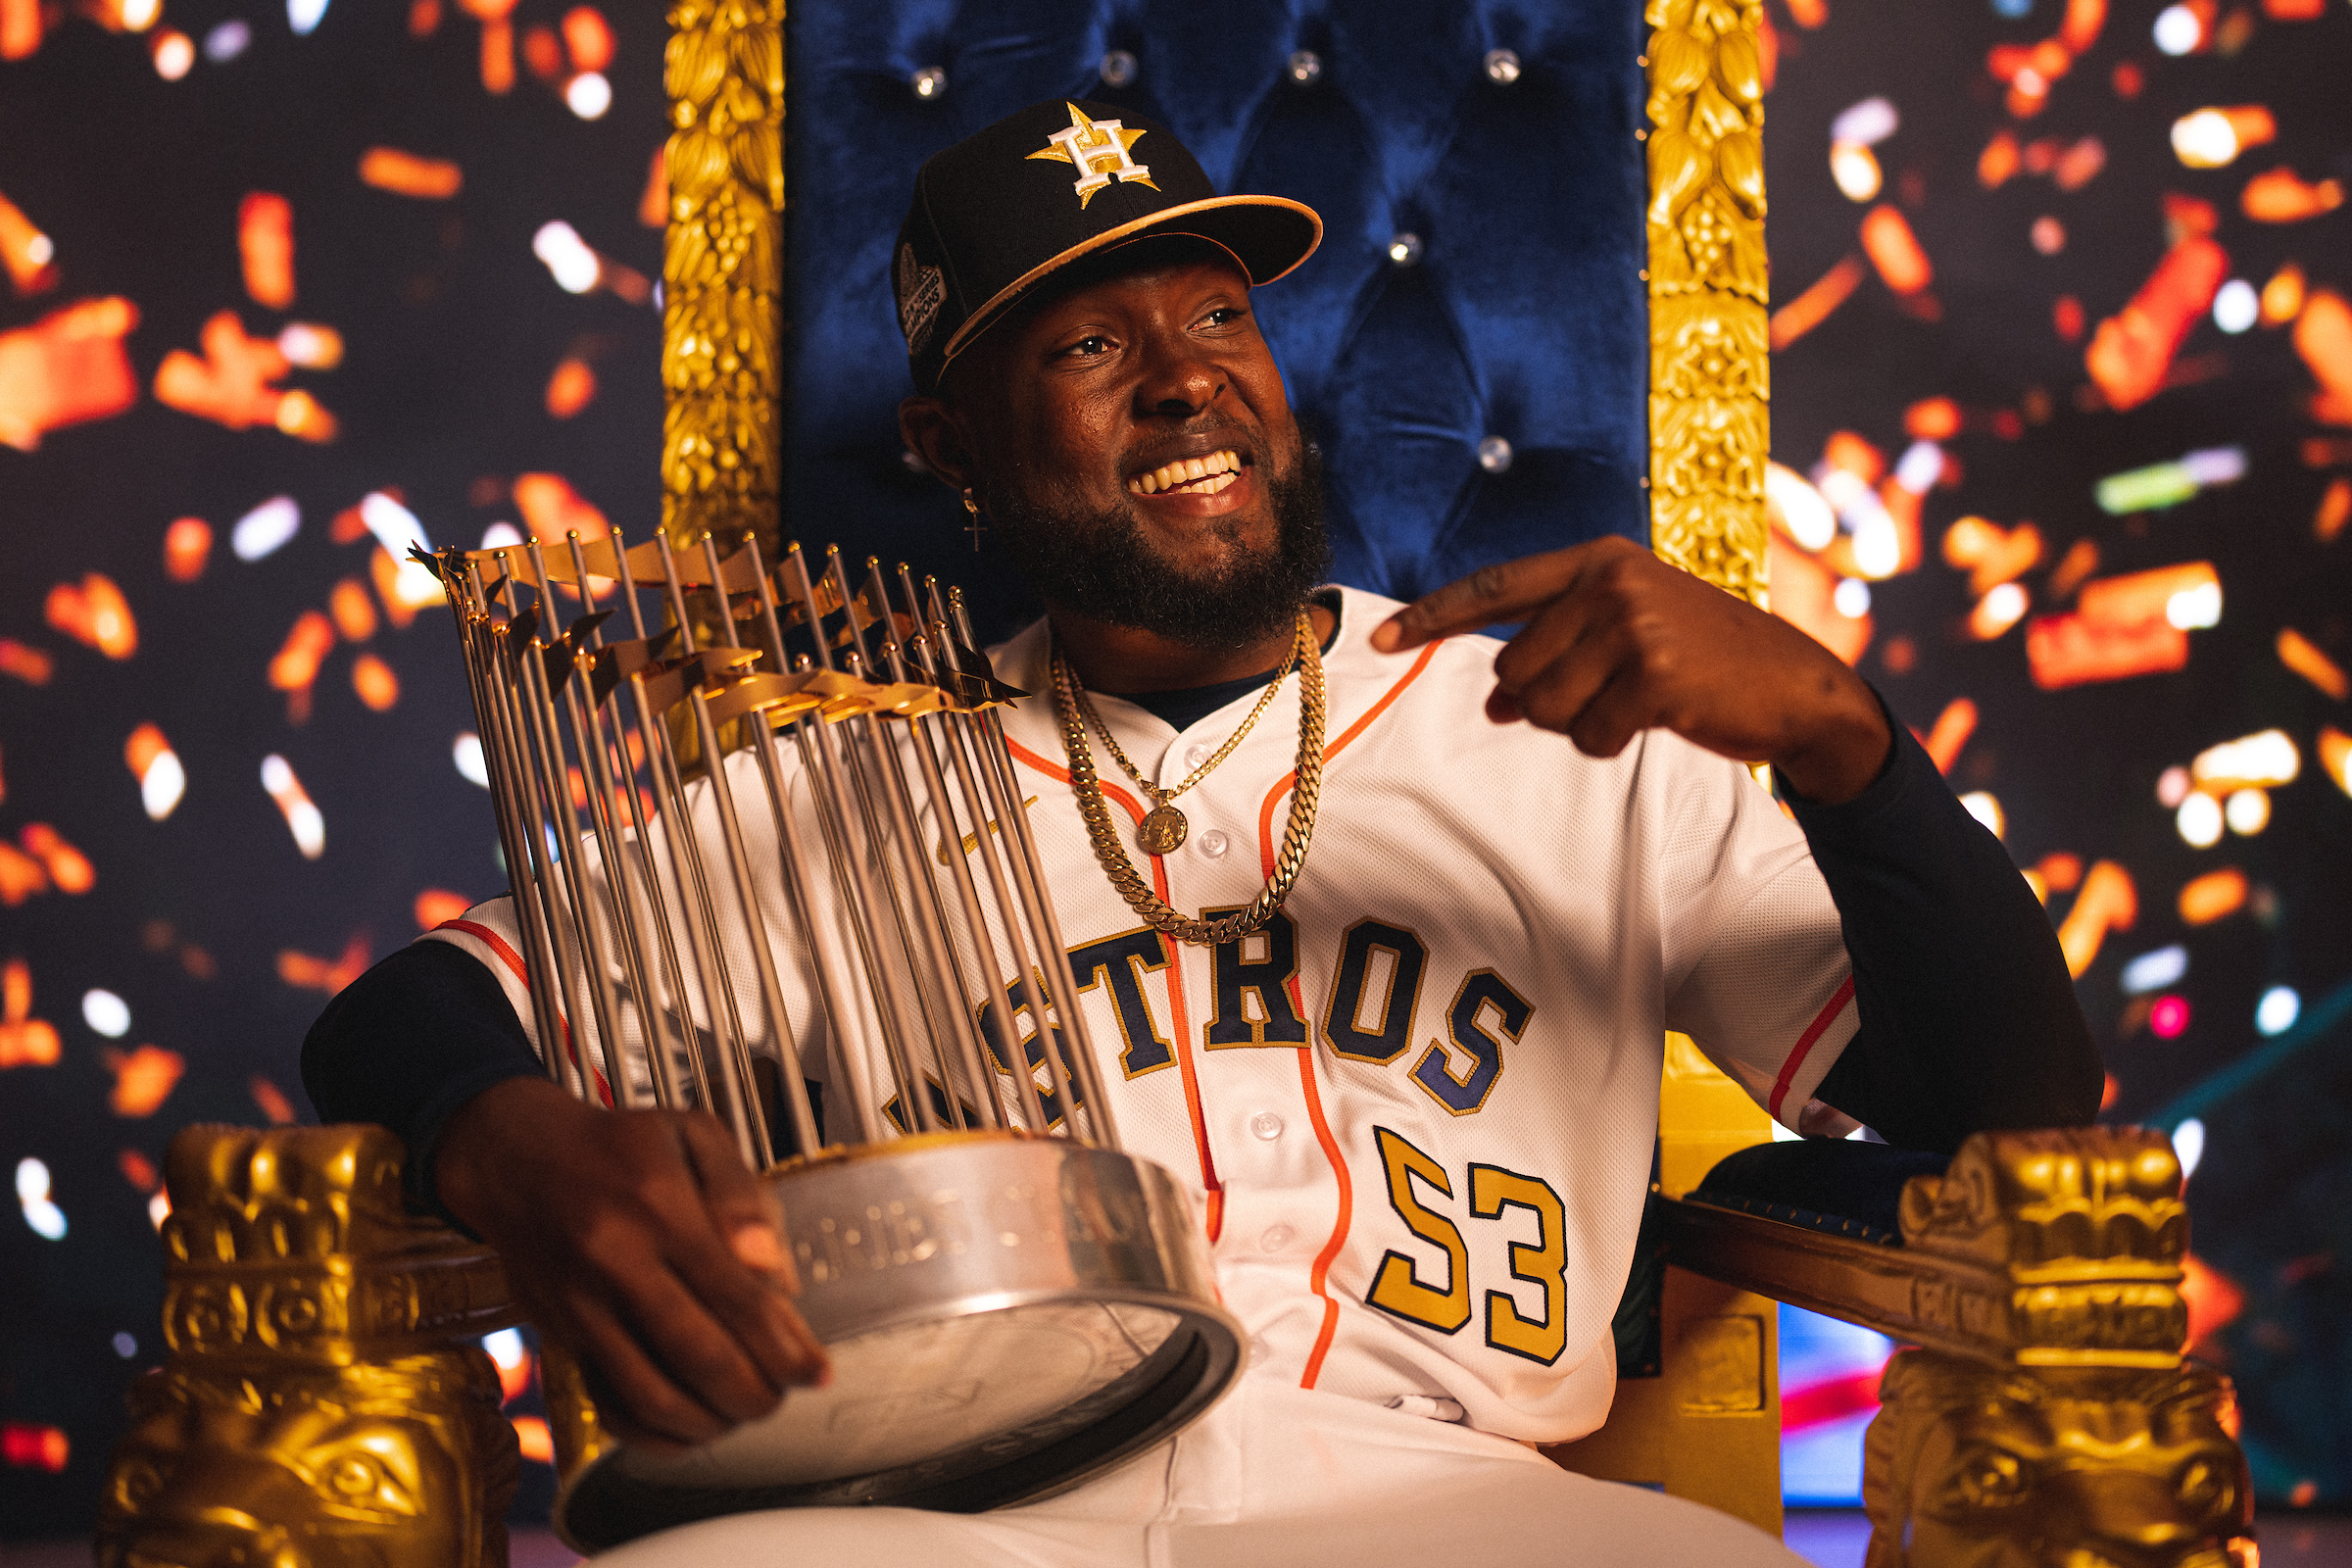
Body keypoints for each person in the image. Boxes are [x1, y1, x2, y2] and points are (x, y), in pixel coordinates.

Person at [304, 98, 2100, 1564]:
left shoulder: (1579, 734)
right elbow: (402, 1012)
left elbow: (2009, 1111)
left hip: (1452, 1507)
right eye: (1090, 344)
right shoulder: (843, 774)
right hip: (947, 1519)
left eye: (1219, 316)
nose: (1186, 381)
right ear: (953, 448)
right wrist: (510, 1139)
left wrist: (1847, 742)